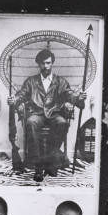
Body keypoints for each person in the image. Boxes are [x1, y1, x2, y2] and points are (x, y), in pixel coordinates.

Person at [8, 49, 87, 182]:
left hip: (54, 113)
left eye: (48, 63)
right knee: (31, 122)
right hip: (36, 114)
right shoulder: (31, 81)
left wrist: (79, 98)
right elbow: (21, 95)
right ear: (38, 64)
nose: (46, 66)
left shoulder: (60, 81)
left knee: (62, 122)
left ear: (52, 63)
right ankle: (38, 166)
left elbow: (70, 95)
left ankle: (51, 161)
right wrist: (13, 100)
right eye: (43, 63)